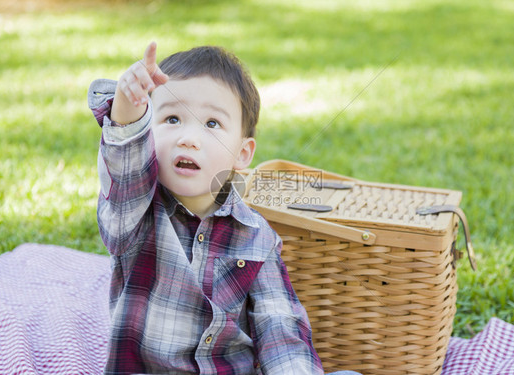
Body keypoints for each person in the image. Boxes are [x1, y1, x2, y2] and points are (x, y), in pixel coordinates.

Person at [88, 42, 360, 375]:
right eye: (171, 118)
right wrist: (129, 107)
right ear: (149, 132)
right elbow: (125, 163)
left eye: (212, 124)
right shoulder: (135, 211)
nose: (189, 138)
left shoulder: (257, 237)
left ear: (243, 154)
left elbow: (280, 329)